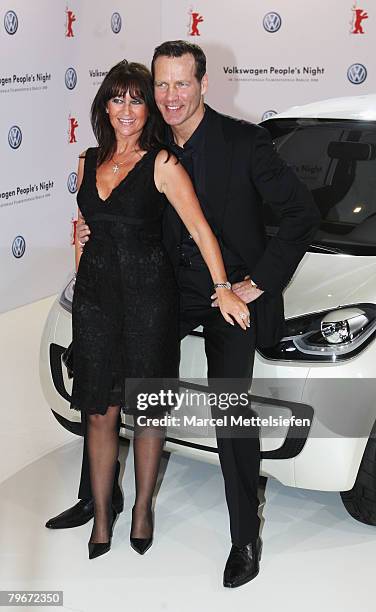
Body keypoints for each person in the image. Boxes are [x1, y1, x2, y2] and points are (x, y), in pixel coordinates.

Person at [48, 42, 320, 586]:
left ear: (203, 84)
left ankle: (244, 536)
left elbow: (301, 216)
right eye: (162, 85)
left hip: (227, 292)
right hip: (161, 290)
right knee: (99, 370)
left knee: (228, 408)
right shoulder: (147, 143)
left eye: (181, 84)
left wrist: (251, 284)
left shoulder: (245, 143)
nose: (170, 96)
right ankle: (95, 498)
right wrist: (89, 229)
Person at [49, 58, 250, 561]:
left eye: (137, 98)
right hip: (95, 304)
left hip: (148, 306)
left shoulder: (162, 163)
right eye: (117, 98)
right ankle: (100, 515)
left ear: (148, 109)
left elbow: (201, 230)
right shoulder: (87, 159)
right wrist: (79, 252)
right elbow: (84, 232)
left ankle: (141, 509)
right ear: (104, 105)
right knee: (98, 411)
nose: (126, 109)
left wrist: (223, 286)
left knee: (146, 411)